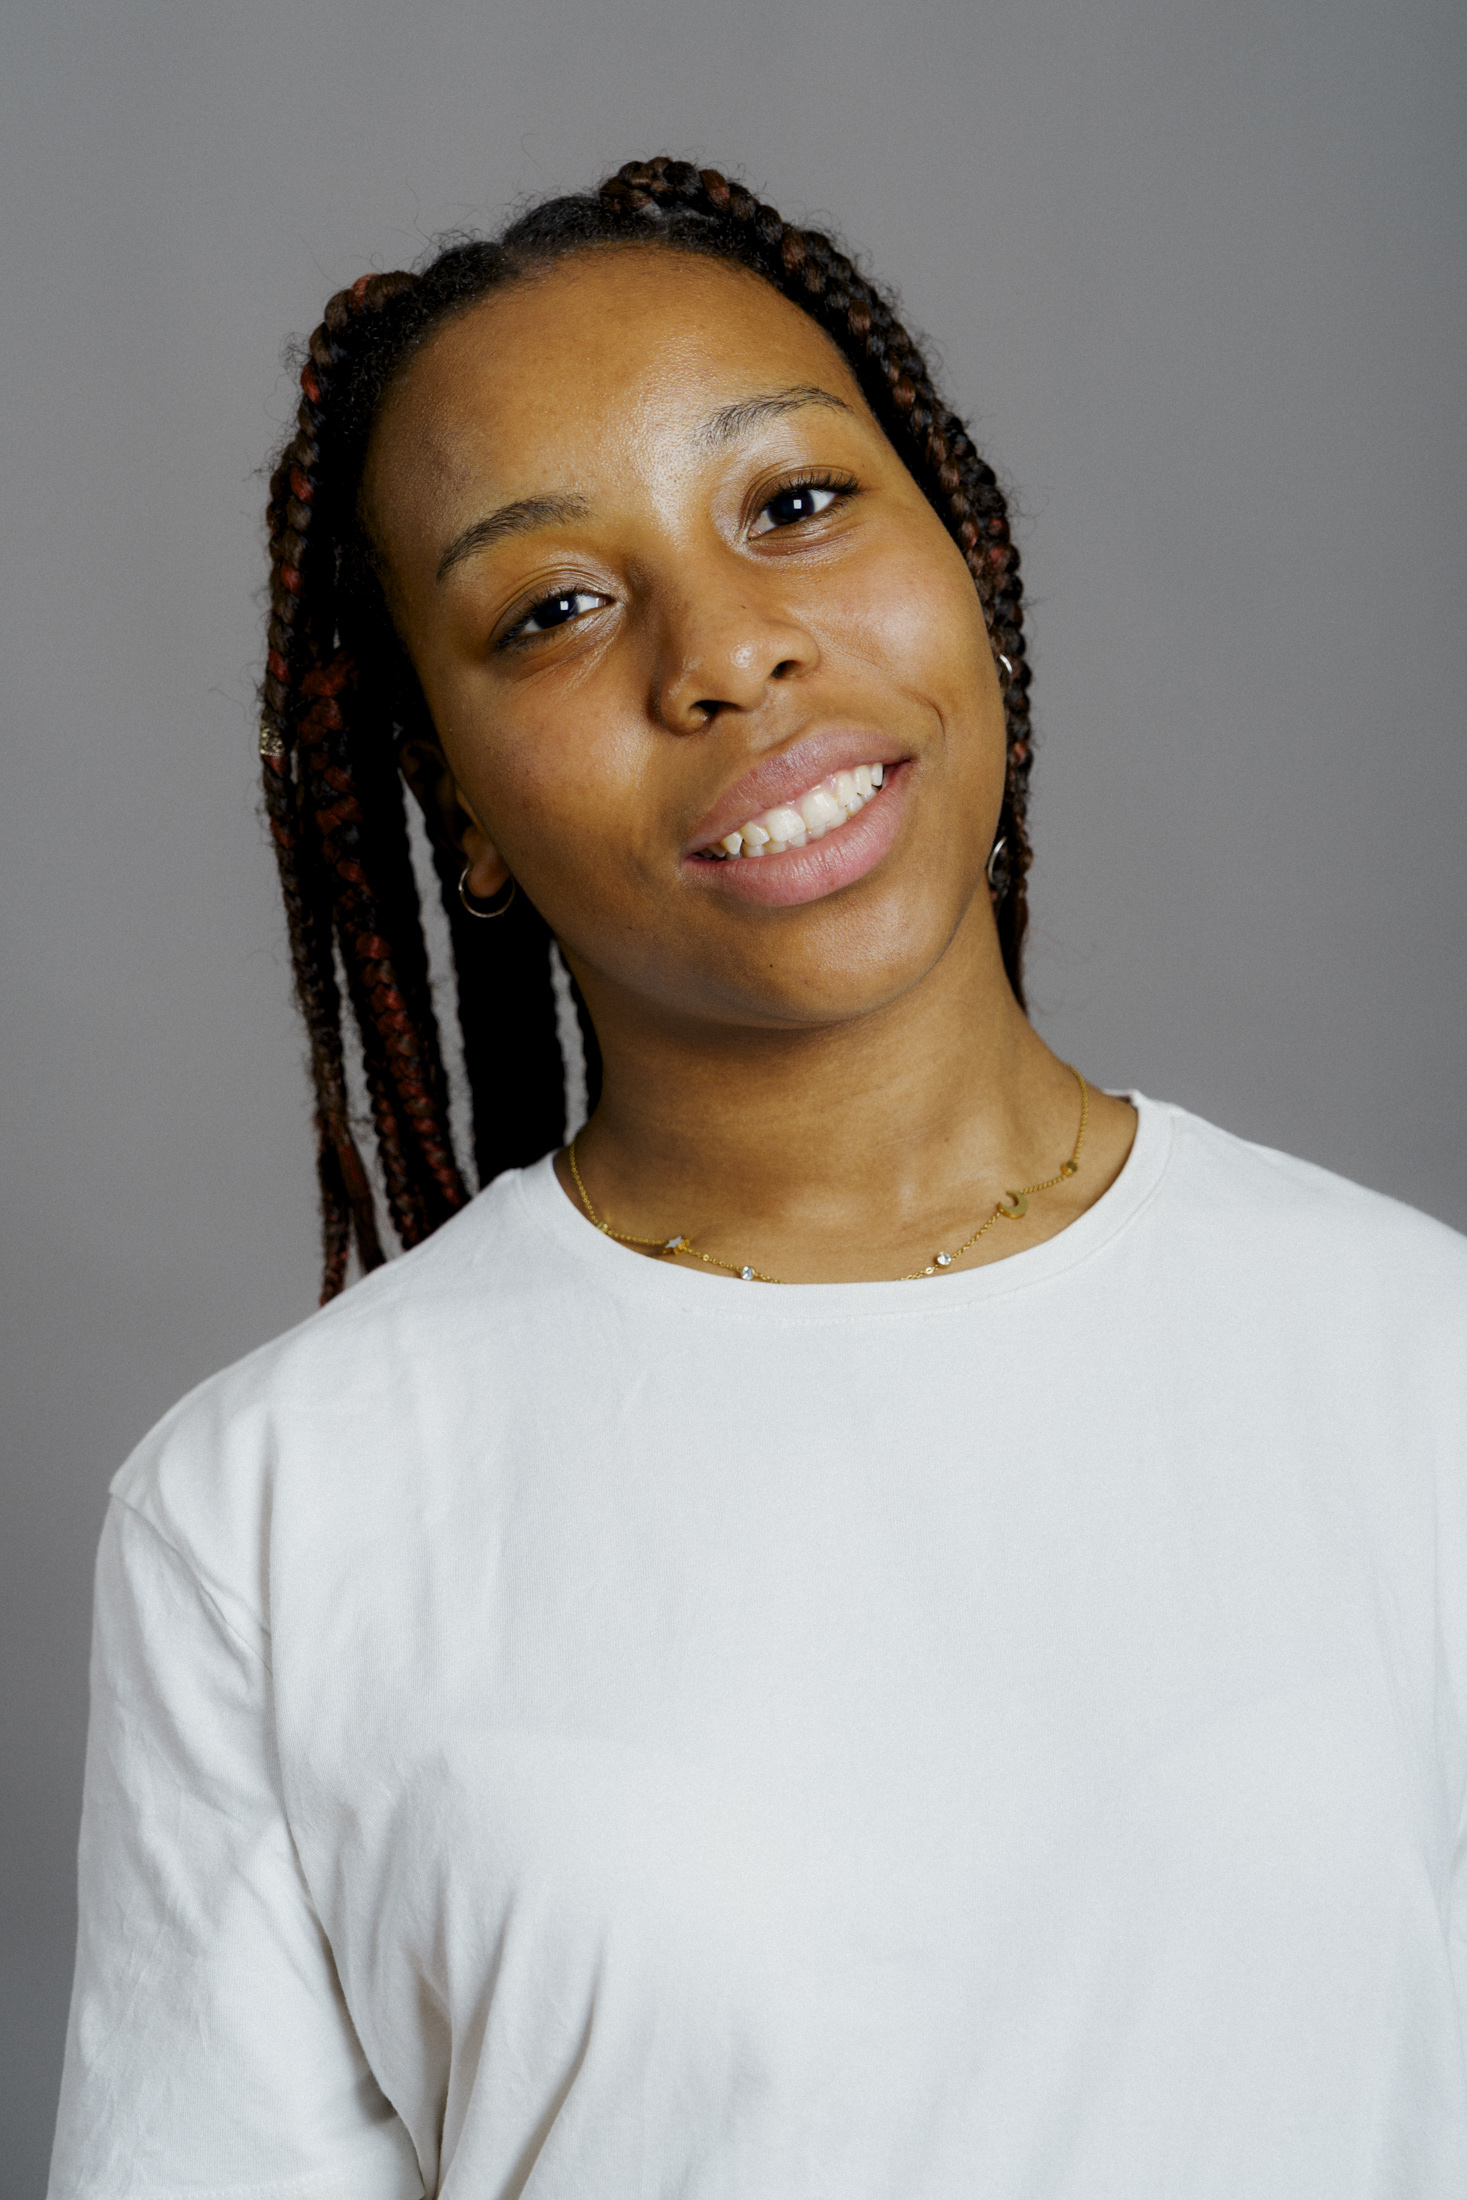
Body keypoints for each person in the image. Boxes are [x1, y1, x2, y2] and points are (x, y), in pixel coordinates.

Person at [48, 157, 1467, 2200]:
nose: (724, 652)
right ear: (452, 798)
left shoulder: (1415, 1365)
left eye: (793, 503)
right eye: (553, 608)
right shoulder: (270, 1513)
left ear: (960, 549)